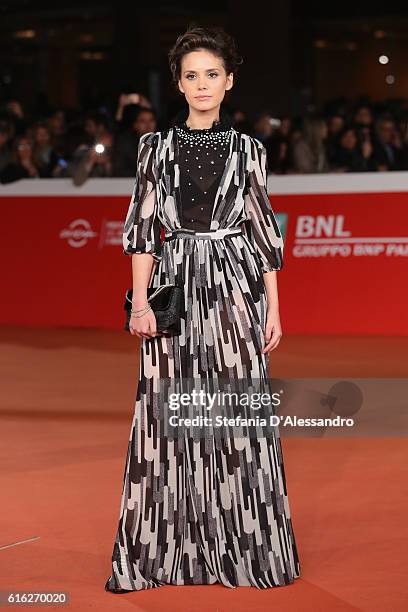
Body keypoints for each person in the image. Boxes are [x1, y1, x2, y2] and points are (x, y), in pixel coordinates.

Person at [104, 25, 301, 592]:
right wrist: (140, 302)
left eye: (212, 74)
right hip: (174, 286)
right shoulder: (153, 149)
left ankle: (242, 548)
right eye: (191, 76)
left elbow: (263, 231)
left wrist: (273, 307)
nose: (202, 84)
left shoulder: (249, 151)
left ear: (229, 81)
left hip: (235, 286)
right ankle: (169, 552)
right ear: (179, 85)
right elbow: (142, 230)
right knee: (168, 414)